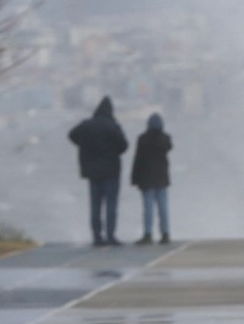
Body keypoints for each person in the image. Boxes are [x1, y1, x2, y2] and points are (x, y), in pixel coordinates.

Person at [68, 95, 128, 246]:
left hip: (92, 172)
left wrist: (84, 145)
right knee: (111, 204)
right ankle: (110, 235)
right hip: (111, 171)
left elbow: (72, 135)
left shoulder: (87, 125)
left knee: (95, 205)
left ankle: (96, 236)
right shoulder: (113, 126)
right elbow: (124, 146)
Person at [129, 112, 173, 245]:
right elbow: (169, 147)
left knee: (148, 209)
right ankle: (165, 234)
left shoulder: (142, 139)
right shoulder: (165, 139)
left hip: (146, 179)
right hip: (161, 178)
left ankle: (148, 234)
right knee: (163, 208)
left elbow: (137, 159)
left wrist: (134, 178)